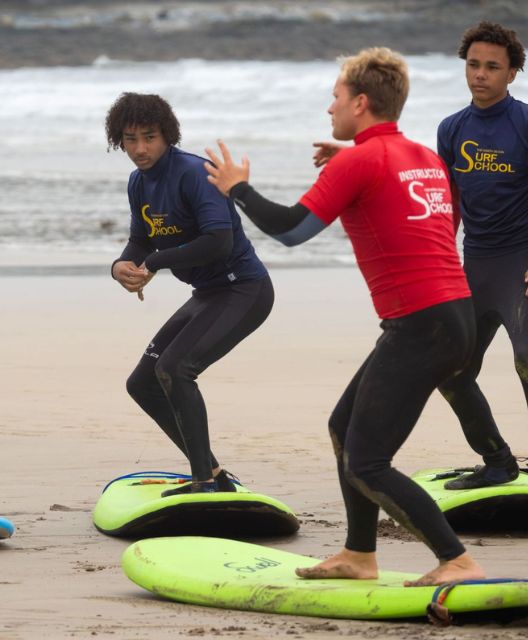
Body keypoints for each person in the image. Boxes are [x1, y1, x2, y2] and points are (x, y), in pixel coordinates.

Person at [205, 47, 484, 585]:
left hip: (421, 323)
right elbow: (401, 200)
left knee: (367, 461)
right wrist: (352, 158)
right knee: (344, 429)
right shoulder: (422, 156)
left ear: (360, 102)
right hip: (453, 315)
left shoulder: (360, 161)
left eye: (334, 97)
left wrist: (236, 187)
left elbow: (291, 230)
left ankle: (457, 560)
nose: (327, 106)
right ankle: (359, 555)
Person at [106, 92, 274, 495]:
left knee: (176, 369)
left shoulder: (195, 174)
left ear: (168, 135)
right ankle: (213, 475)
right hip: (208, 293)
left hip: (243, 288)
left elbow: (218, 241)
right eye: (130, 139)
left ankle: (203, 482)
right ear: (119, 140)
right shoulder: (139, 182)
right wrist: (119, 267)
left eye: (149, 137)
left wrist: (158, 261)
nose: (140, 148)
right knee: (143, 383)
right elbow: (140, 242)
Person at [433, 21, 528, 490]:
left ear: (512, 73)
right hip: (473, 266)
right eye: (473, 65)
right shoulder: (452, 128)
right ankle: (497, 461)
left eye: (493, 67)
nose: (480, 75)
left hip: (521, 264)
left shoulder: (525, 123)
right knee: (450, 369)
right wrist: (440, 260)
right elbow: (447, 202)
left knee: (527, 357)